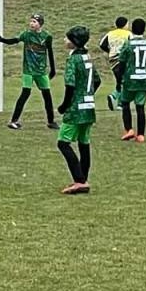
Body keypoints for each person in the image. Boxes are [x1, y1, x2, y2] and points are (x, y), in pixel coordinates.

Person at [56, 25, 98, 194]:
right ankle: (83, 179)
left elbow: (70, 85)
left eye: (67, 38)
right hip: (89, 107)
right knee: (83, 143)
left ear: (74, 42)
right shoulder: (87, 58)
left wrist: (64, 105)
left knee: (63, 143)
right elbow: (97, 80)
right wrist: (87, 94)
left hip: (75, 109)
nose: (64, 40)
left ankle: (79, 180)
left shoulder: (72, 60)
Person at [0, 13, 56, 130]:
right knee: (25, 93)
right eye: (31, 21)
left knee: (47, 95)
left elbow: (50, 52)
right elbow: (14, 40)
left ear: (40, 24)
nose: (31, 24)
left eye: (34, 22)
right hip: (28, 70)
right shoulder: (26, 35)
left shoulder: (46, 37)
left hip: (41, 71)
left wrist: (53, 69)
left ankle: (51, 121)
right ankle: (14, 121)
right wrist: (2, 39)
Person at [118, 18, 146, 142]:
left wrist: (119, 78)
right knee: (140, 107)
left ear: (132, 29)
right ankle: (141, 135)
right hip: (143, 79)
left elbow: (121, 62)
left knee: (125, 103)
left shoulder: (128, 44)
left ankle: (129, 129)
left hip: (130, 79)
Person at [99, 16, 131, 111]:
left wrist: (110, 51)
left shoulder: (110, 34)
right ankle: (117, 99)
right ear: (125, 24)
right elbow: (132, 45)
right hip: (124, 60)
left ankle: (117, 99)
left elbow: (102, 44)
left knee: (120, 80)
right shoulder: (128, 34)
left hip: (113, 60)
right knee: (125, 81)